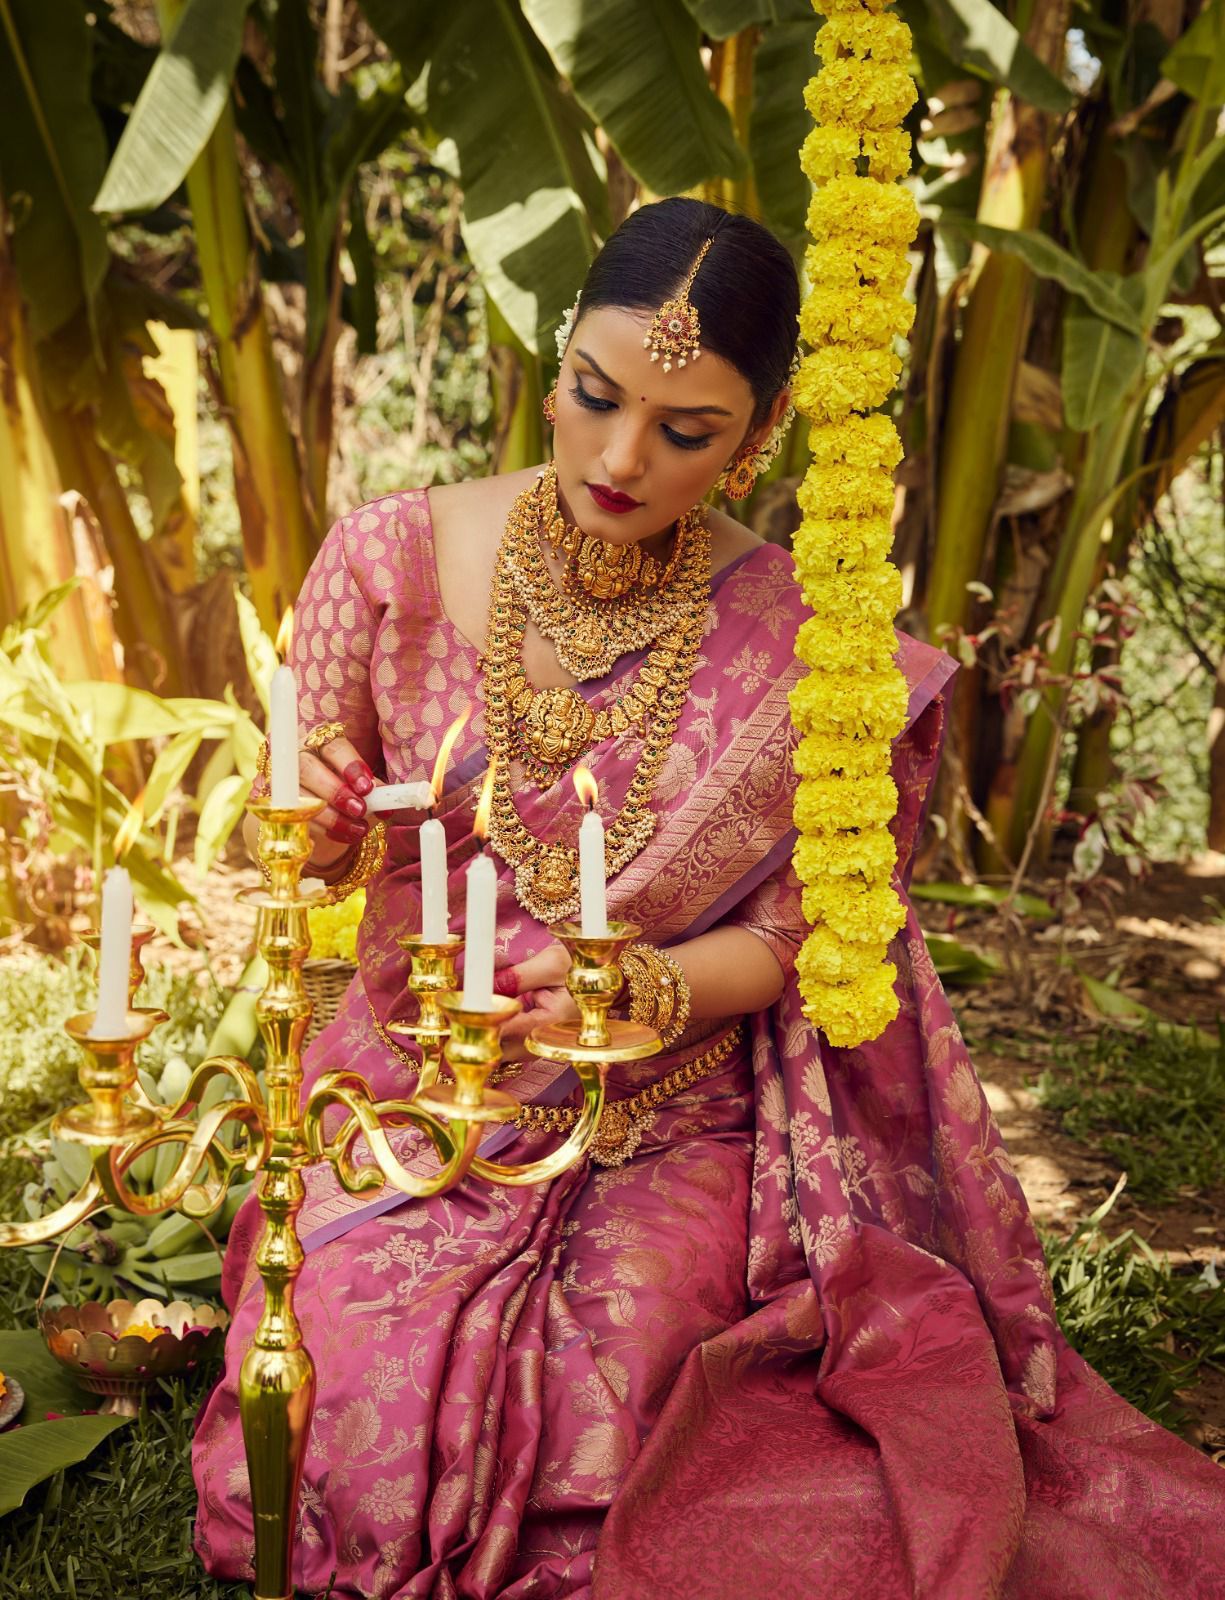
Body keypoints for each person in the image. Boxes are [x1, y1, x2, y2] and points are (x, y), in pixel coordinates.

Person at [193, 198, 1224, 1599]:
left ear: (766, 425)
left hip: (664, 1105)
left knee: (619, 1407)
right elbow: (327, 837)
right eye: (594, 397)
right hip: (411, 1083)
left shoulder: (808, 641)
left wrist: (641, 989)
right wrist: (315, 840)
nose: (620, 456)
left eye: (685, 429)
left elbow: (807, 941)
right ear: (556, 360)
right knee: (349, 1390)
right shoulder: (384, 562)